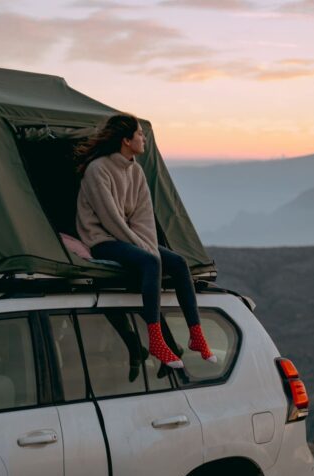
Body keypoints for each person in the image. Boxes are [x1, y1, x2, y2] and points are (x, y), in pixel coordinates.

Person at [75, 113, 216, 369]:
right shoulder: (98, 170)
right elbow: (110, 219)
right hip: (102, 239)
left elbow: (143, 216)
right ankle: (156, 340)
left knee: (179, 263)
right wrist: (146, 251)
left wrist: (147, 245)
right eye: (140, 134)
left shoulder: (135, 170)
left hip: (131, 238)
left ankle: (196, 335)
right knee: (151, 263)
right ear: (126, 140)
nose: (144, 139)